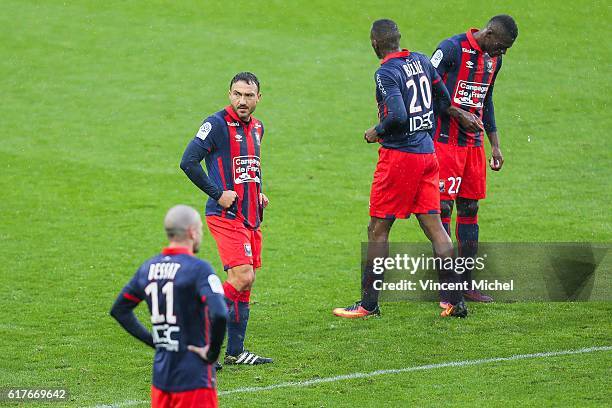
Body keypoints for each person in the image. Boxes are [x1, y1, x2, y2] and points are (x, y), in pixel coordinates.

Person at [333, 19, 482, 319]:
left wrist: (377, 130)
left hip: (400, 159)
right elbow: (443, 98)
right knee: (436, 228)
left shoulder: (385, 72)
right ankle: (455, 301)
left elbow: (397, 114)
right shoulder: (423, 60)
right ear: (398, 39)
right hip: (428, 154)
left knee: (378, 229)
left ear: (374, 43)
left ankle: (368, 304)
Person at [180, 72, 272, 365]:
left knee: (246, 283)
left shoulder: (257, 127)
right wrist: (217, 192)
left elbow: (248, 165)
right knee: (242, 276)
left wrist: (259, 191)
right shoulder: (216, 124)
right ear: (229, 94)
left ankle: (235, 351)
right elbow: (188, 162)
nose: (242, 101)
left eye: (248, 95)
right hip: (225, 214)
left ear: (259, 98)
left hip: (250, 216)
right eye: (237, 94)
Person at [431, 15, 518, 306]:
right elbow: (425, 88)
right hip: (443, 142)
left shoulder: (494, 61)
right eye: (501, 45)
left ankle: (466, 284)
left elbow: (486, 99)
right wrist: (457, 113)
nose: (502, 52)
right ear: (489, 33)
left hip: (473, 146)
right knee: (442, 208)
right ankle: (446, 288)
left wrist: (495, 145)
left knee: (470, 207)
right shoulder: (452, 48)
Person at [110, 205, 228, 408]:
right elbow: (220, 313)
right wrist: (211, 353)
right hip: (194, 380)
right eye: (200, 229)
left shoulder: (148, 268)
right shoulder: (199, 269)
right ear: (192, 232)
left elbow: (119, 310)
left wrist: (154, 341)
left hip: (161, 379)